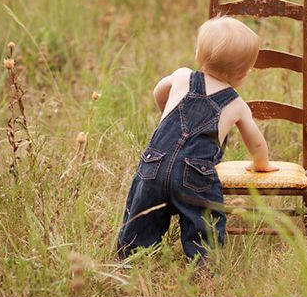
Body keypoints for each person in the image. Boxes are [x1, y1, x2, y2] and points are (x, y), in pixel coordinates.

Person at [117, 15, 279, 262]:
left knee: (143, 214)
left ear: (197, 54)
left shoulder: (182, 76)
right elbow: (256, 143)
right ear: (243, 74)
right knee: (203, 220)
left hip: (154, 164)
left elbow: (158, 92)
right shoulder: (236, 104)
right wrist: (261, 165)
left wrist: (166, 112)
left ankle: (132, 256)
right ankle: (204, 264)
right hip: (195, 175)